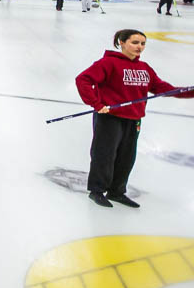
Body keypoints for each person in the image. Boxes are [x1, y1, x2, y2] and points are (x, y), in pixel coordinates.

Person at [75, 29, 194, 208]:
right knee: (104, 154)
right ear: (122, 43)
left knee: (127, 156)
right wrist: (97, 103)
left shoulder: (144, 68)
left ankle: (117, 191)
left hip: (134, 118)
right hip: (110, 117)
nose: (139, 47)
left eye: (143, 43)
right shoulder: (108, 63)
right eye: (135, 42)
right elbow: (83, 79)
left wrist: (189, 91)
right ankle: (97, 190)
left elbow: (162, 88)